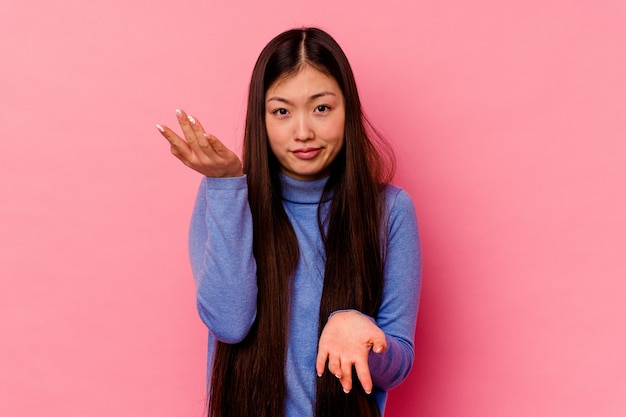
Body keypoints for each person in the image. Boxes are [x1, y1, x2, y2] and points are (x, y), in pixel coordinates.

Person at [156, 27, 421, 417]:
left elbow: (396, 368)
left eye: (321, 108)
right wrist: (228, 187)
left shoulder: (390, 210)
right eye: (282, 111)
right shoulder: (227, 198)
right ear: (260, 118)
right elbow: (230, 323)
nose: (302, 132)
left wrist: (362, 334)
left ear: (347, 110)